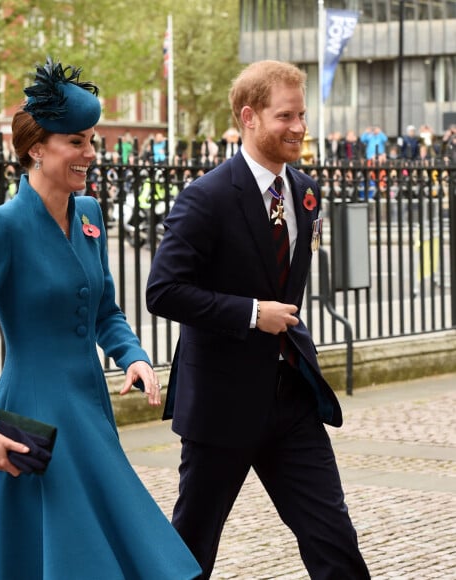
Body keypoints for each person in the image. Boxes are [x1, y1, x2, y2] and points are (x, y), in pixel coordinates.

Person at [0, 56, 201, 580]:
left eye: (91, 140)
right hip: (35, 415)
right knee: (72, 549)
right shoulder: (1, 227)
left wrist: (131, 355)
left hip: (89, 407)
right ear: (37, 148)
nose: (90, 153)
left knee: (108, 539)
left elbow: (104, 306)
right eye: (76, 142)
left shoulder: (90, 215)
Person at [146, 59, 370, 579]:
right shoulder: (205, 198)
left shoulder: (305, 192)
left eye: (302, 115)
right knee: (192, 549)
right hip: (221, 407)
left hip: (291, 399)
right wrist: (250, 315)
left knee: (333, 537)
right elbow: (164, 291)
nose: (299, 128)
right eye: (285, 116)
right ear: (249, 117)